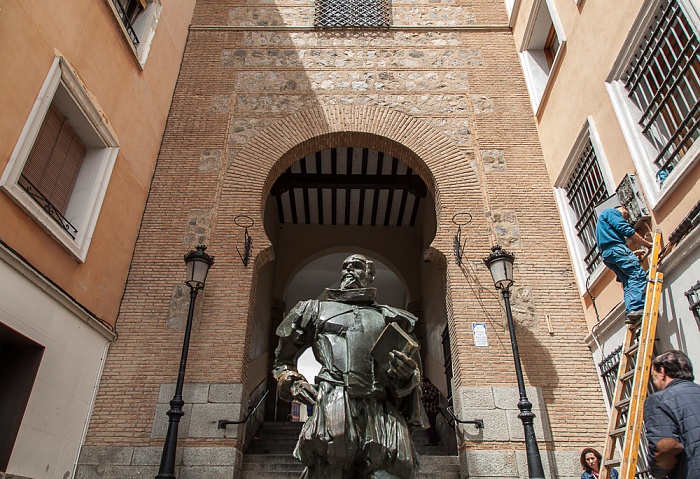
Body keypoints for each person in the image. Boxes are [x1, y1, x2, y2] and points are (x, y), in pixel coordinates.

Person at [272, 254, 424, 479]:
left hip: (380, 412)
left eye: (357, 266)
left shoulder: (390, 318)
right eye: (345, 267)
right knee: (330, 468)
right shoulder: (312, 311)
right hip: (334, 407)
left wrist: (404, 375)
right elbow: (282, 362)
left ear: (370, 275)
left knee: (391, 472)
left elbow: (412, 375)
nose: (349, 271)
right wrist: (294, 384)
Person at [643, 350, 700, 479]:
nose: (655, 382)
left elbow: (666, 447)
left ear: (662, 372)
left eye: (654, 377)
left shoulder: (659, 400)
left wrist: (657, 472)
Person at [595, 204, 653, 322]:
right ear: (623, 207)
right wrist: (648, 244)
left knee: (627, 282)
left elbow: (612, 242)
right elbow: (625, 230)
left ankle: (630, 312)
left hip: (608, 254)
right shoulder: (611, 212)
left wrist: (631, 254)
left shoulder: (603, 221)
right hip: (616, 249)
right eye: (626, 216)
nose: (626, 219)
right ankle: (636, 308)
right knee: (637, 274)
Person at [421, 377, 441, 446]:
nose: (423, 386)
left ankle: (434, 441)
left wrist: (423, 395)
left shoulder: (433, 389)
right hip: (428, 411)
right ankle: (433, 440)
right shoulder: (428, 390)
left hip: (432, 411)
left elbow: (430, 397)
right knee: (430, 427)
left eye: (424, 384)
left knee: (431, 426)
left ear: (428, 383)